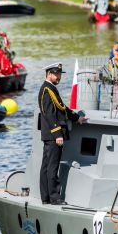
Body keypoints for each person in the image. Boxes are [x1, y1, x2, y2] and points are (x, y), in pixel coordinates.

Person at [38, 63, 88, 205]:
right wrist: (57, 134)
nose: (59, 77)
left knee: (47, 166)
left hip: (51, 135)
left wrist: (76, 118)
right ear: (49, 74)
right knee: (52, 167)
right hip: (53, 135)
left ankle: (46, 197)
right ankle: (54, 197)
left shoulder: (50, 89)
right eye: (56, 74)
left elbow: (61, 108)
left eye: (59, 74)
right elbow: (49, 114)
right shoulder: (46, 90)